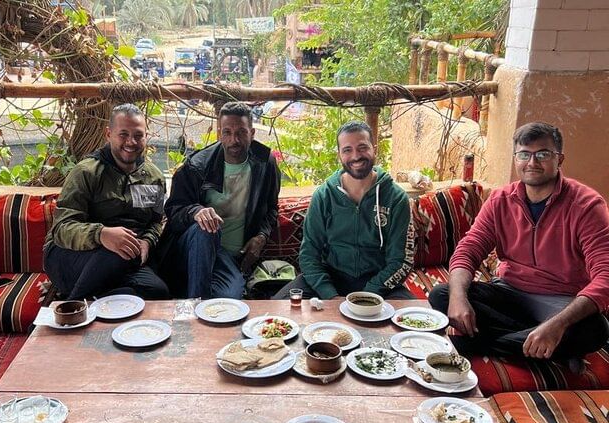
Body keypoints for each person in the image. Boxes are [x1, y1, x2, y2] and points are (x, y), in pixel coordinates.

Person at [428, 122, 609, 371]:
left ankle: (475, 345)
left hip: (562, 303)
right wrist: (458, 299)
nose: (532, 162)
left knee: (596, 330)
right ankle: (541, 346)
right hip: (511, 296)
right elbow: (468, 250)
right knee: (443, 295)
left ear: (559, 159)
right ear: (516, 158)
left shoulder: (586, 206)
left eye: (542, 154)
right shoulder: (501, 200)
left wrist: (557, 325)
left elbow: (605, 276)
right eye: (524, 154)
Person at [274, 120, 415, 300]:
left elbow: (401, 260)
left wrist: (368, 296)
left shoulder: (396, 198)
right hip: (330, 278)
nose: (356, 156)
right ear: (339, 155)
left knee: (412, 315)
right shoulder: (324, 196)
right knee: (278, 308)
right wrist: (330, 295)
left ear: (375, 149)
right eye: (347, 150)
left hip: (378, 283)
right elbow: (309, 254)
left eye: (362, 147)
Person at [43, 103, 170, 300]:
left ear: (146, 136)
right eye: (123, 134)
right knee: (116, 253)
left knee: (158, 292)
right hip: (72, 256)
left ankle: (100, 299)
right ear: (108, 134)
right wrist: (101, 234)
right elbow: (61, 229)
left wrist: (147, 241)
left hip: (126, 259)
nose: (131, 142)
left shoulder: (154, 178)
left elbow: (156, 222)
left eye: (138, 135)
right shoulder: (87, 172)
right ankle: (72, 306)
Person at [158, 102, 280, 299]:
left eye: (241, 132)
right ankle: (197, 304)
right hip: (193, 249)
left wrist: (261, 236)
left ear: (252, 133)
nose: (234, 140)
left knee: (230, 299)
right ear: (219, 134)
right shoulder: (197, 166)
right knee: (206, 227)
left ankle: (198, 295)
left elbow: (272, 208)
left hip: (230, 257)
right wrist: (196, 211)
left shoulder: (265, 163)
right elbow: (173, 210)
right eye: (227, 132)